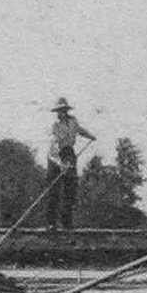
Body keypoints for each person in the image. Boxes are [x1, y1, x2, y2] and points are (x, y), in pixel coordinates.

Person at [44, 97, 95, 230]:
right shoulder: (54, 126)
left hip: (69, 153)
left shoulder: (73, 121)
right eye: (59, 111)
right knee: (54, 190)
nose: (61, 113)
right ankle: (51, 223)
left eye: (63, 110)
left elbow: (80, 130)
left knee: (70, 188)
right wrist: (60, 164)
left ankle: (67, 223)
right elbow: (54, 147)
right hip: (56, 156)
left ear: (66, 110)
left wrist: (90, 136)